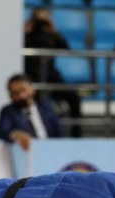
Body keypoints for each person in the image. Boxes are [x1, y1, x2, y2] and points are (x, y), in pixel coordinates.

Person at [24, 8, 83, 138]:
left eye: (44, 20)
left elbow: (66, 48)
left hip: (51, 76)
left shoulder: (50, 34)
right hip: (31, 77)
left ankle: (77, 135)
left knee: (74, 97)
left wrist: (53, 30)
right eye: (38, 20)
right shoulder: (28, 34)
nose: (41, 23)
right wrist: (26, 30)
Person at [0, 74, 63, 151]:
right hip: (26, 152)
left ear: (32, 89)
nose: (21, 96)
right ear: (10, 96)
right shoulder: (8, 111)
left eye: (23, 90)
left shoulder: (46, 107)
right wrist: (15, 134)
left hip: (51, 150)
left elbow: (58, 131)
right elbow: (2, 131)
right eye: (15, 93)